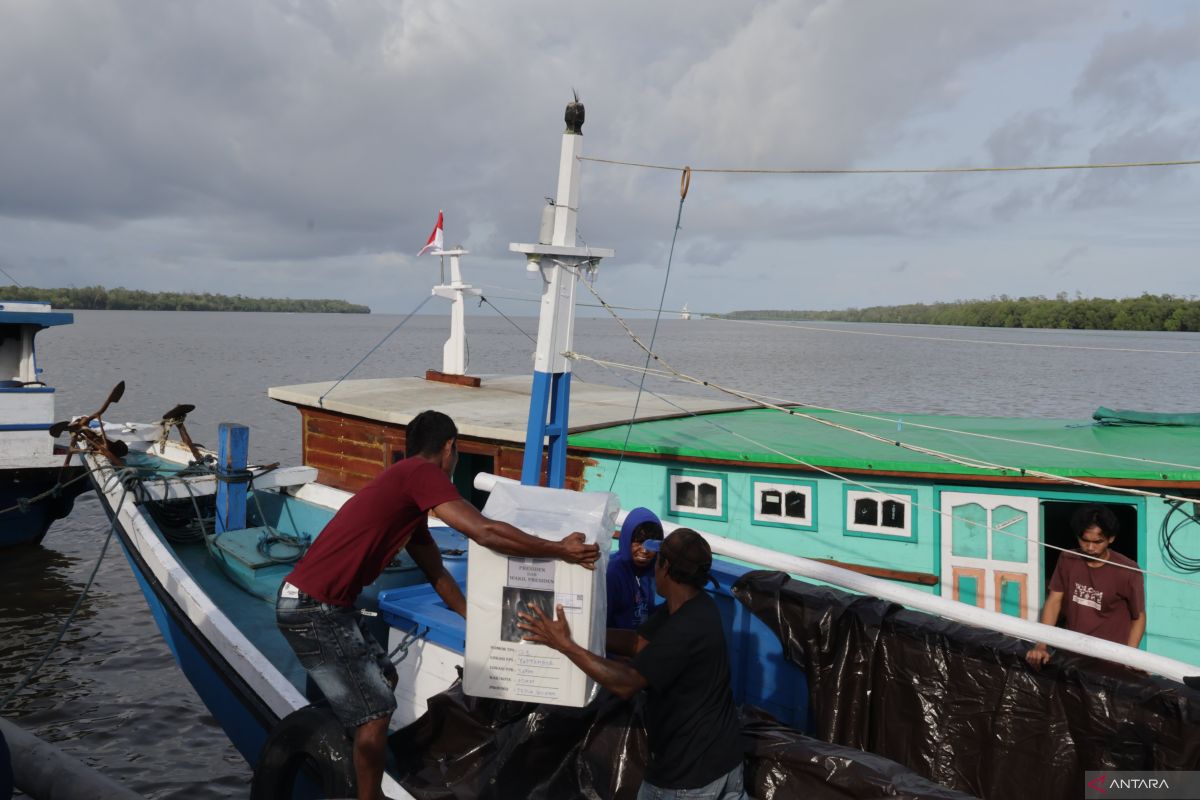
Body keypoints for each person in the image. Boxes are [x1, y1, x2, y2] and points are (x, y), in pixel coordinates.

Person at [276, 409, 600, 800]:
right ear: (450, 448)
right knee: (376, 710)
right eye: (456, 453)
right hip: (313, 607)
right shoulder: (420, 474)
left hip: (328, 606)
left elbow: (439, 576)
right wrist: (558, 549)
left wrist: (478, 623)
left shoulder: (405, 500)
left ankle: (355, 754)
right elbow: (484, 530)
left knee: (385, 680)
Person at [519, 528, 746, 800]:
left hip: (689, 777)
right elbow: (637, 642)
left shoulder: (685, 627)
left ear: (666, 567)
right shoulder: (695, 606)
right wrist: (575, 633)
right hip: (724, 760)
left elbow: (627, 683)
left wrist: (565, 645)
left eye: (658, 558)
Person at [1026, 504, 1146, 669]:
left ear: (1111, 539)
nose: (1090, 548)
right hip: (1072, 653)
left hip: (1110, 660)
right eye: (1085, 541)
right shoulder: (1068, 559)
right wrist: (1041, 645)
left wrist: (1130, 658)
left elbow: (1138, 618)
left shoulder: (1128, 571)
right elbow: (1054, 601)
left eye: (1097, 542)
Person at [605, 508, 663, 654]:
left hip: (637, 651)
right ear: (626, 540)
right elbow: (598, 628)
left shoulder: (647, 572)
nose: (644, 550)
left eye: (651, 545)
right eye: (638, 542)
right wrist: (614, 660)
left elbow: (644, 613)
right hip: (617, 656)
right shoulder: (612, 574)